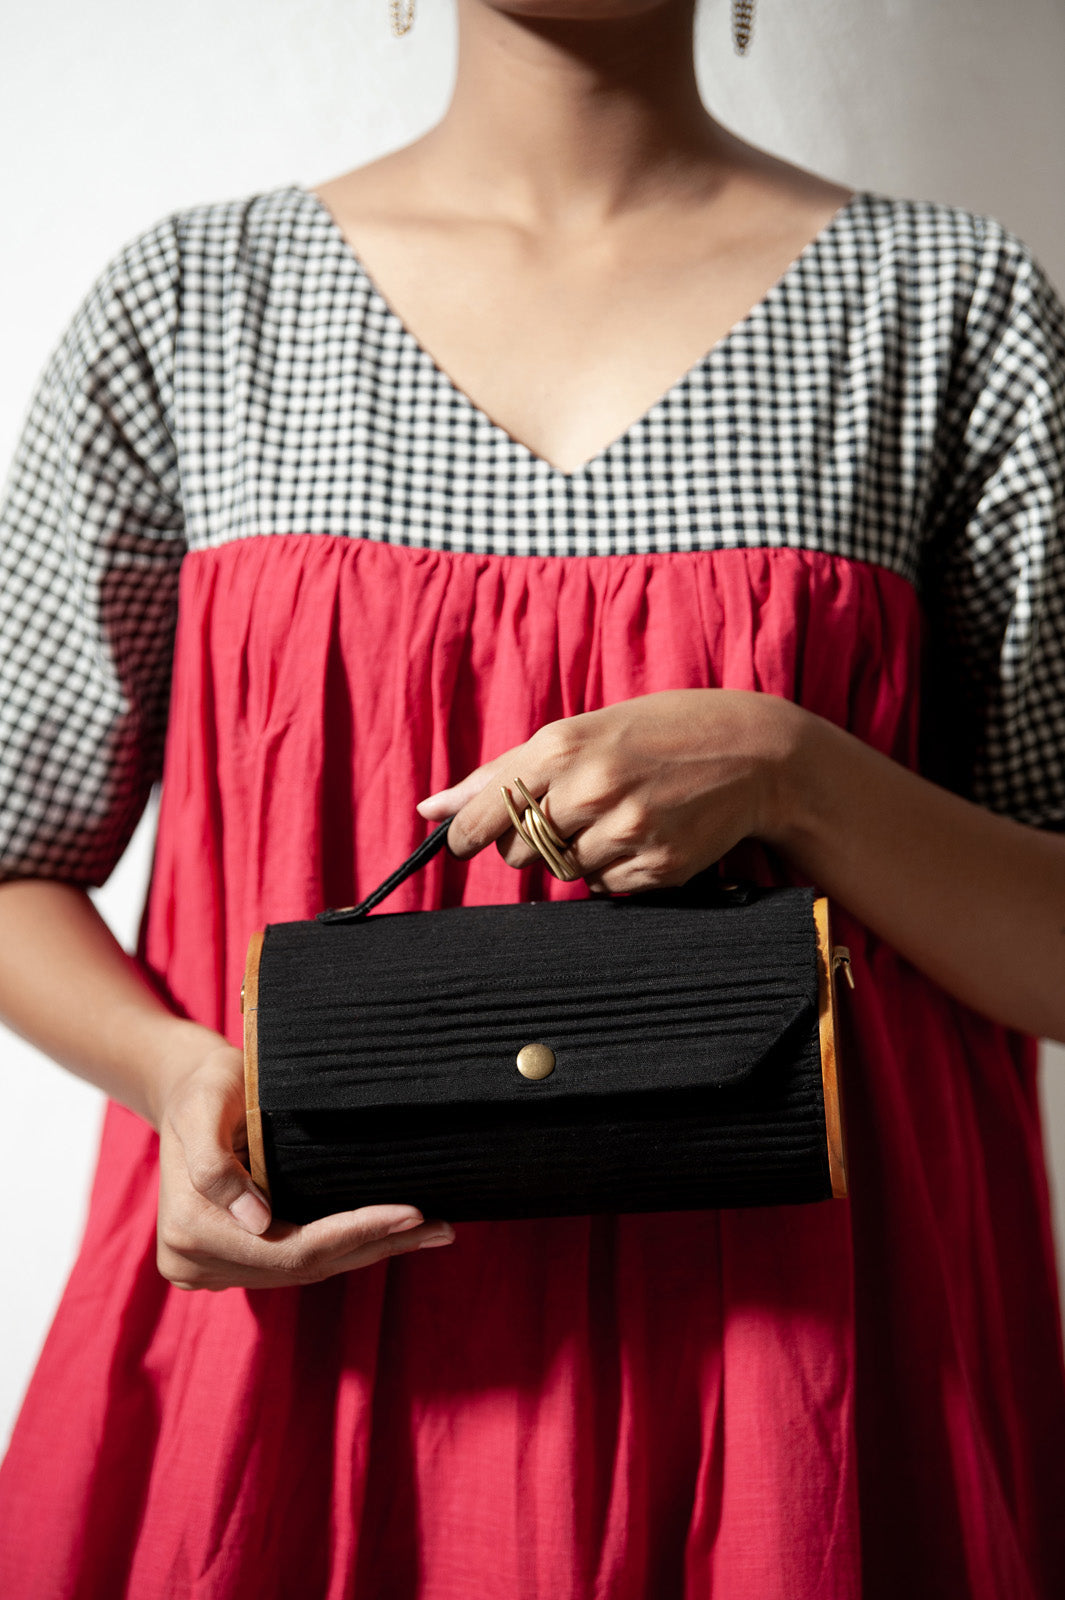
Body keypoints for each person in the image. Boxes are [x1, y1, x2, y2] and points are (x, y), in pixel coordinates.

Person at [1, 0, 1064, 1594]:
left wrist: (800, 772)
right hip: (308, 1368)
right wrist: (177, 1079)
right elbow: (13, 859)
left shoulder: (946, 311)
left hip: (818, 1382)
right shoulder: (197, 311)